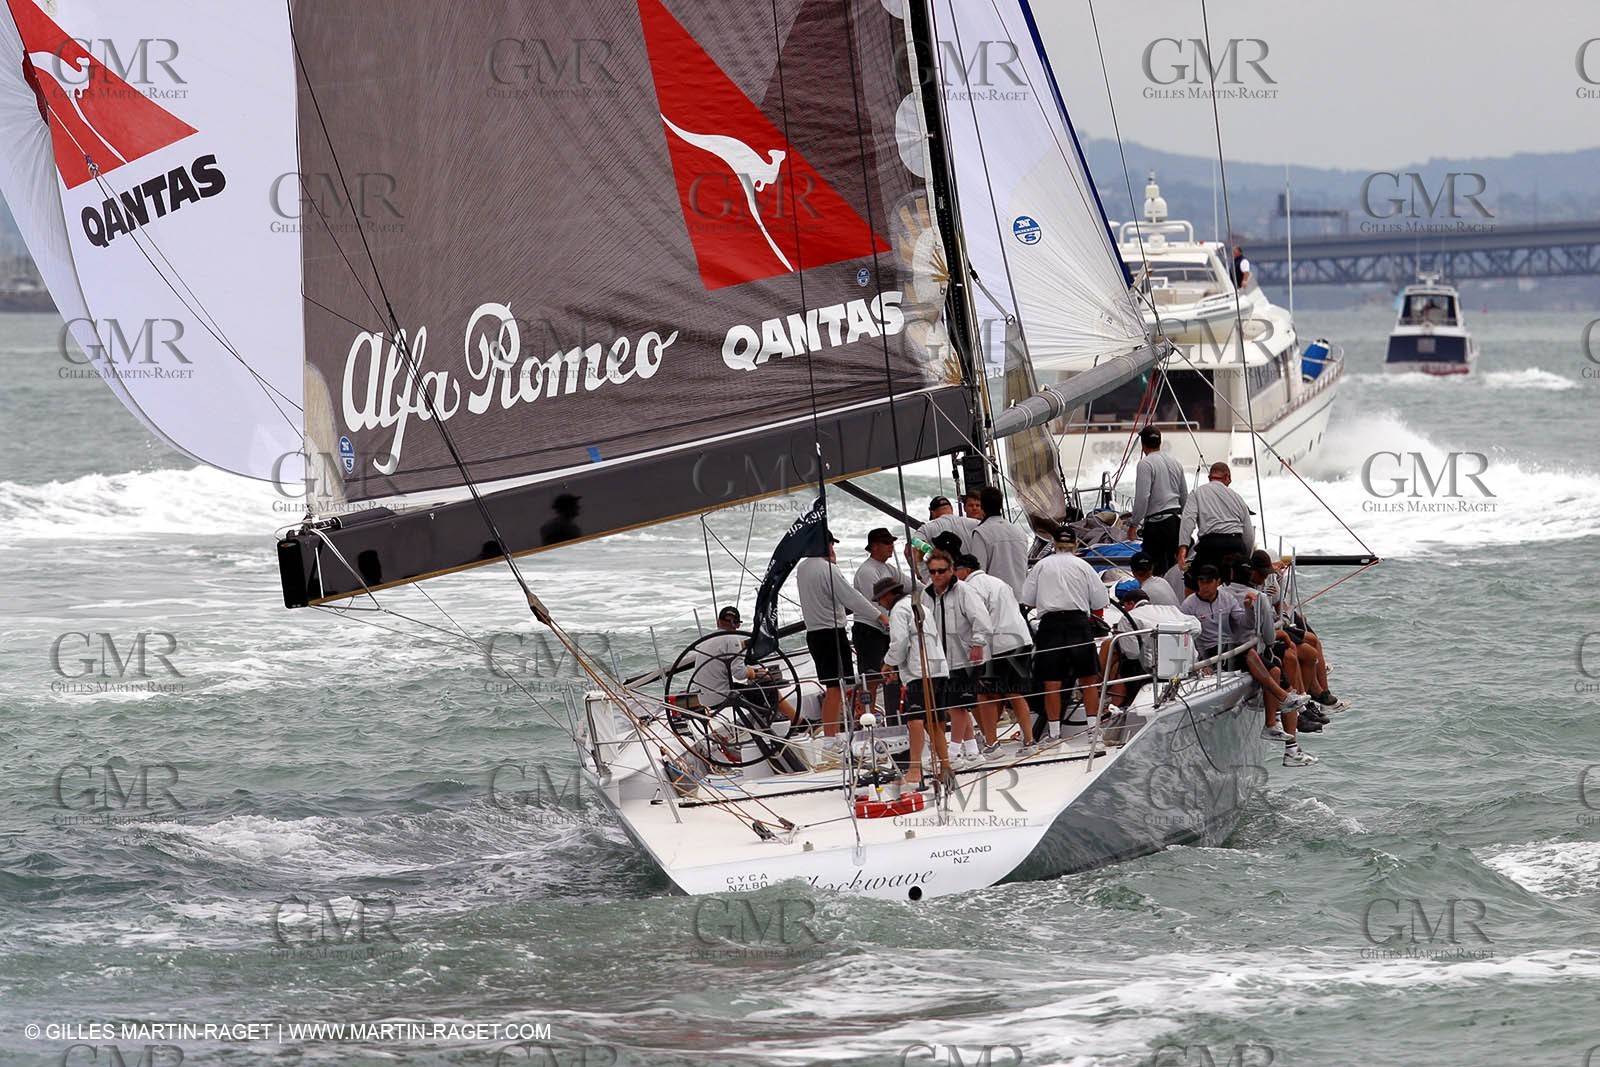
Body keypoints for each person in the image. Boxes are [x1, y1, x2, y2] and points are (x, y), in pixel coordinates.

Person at [1182, 564, 1316, 767]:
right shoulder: (1189, 605)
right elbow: (1188, 637)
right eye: (1201, 581)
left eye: (1208, 581)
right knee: (1254, 654)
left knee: (1276, 669)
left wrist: (1249, 610)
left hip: (1232, 646)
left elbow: (1243, 625)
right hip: (1211, 651)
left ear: (1218, 582)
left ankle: (1271, 724)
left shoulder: (1226, 598)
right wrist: (1199, 663)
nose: (1204, 586)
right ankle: (1283, 697)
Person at [795, 534, 889, 761]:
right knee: (835, 687)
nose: (832, 548)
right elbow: (852, 598)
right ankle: (830, 740)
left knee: (833, 686)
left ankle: (833, 735)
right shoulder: (828, 569)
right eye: (830, 544)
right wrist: (879, 616)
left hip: (814, 633)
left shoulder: (802, 568)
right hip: (832, 633)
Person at [1020, 528, 1110, 741]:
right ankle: (1092, 731)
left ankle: (1054, 733)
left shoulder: (1041, 566)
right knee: (1088, 679)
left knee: (1051, 681)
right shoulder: (1083, 566)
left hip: (1050, 625)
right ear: (1075, 545)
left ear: (1054, 544)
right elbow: (1099, 601)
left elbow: (1027, 599)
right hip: (1078, 624)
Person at [954, 553, 1036, 756]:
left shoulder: (970, 588)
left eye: (955, 570)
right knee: (1015, 692)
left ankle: (991, 744)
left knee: (986, 694)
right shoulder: (998, 582)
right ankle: (1029, 740)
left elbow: (978, 621)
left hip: (997, 644)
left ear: (965, 570)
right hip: (1021, 639)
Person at [924, 548, 992, 769]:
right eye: (932, 572)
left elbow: (980, 618)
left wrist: (978, 644)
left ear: (951, 570)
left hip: (965, 657)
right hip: (941, 660)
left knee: (958, 706)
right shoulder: (927, 594)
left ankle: (952, 753)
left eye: (941, 571)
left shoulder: (964, 591)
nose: (937, 576)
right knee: (957, 705)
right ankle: (972, 751)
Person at [878, 576, 947, 790]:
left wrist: (888, 664)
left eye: (880, 599)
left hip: (919, 672)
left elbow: (900, 642)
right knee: (933, 722)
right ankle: (945, 767)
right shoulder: (920, 606)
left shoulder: (899, 610)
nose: (880, 603)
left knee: (915, 720)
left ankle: (915, 770)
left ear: (889, 595)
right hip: (938, 669)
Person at [689, 606, 797, 723]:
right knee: (771, 692)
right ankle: (799, 724)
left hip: (704, 698)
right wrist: (755, 673)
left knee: (754, 692)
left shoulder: (706, 641)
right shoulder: (732, 639)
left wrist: (752, 672)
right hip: (723, 697)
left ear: (718, 622)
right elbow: (739, 674)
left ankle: (770, 719)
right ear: (738, 625)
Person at [1103, 579, 1189, 712]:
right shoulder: (1170, 610)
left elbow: (1132, 653)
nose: (1124, 609)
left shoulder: (1128, 617)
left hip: (1149, 668)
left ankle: (1113, 700)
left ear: (1130, 604)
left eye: (1125, 606)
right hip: (1181, 663)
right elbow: (1196, 627)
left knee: (1117, 663)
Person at [852, 528, 908, 717]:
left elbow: (909, 585)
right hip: (869, 629)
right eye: (887, 543)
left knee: (889, 673)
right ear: (874, 547)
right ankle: (864, 714)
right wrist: (898, 622)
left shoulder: (889, 568)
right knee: (871, 676)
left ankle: (894, 713)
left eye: (892, 542)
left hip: (885, 629)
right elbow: (878, 602)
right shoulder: (867, 571)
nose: (891, 546)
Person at [1126, 427, 1187, 575]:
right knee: (1174, 569)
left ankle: (1158, 597)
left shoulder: (1145, 464)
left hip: (1156, 525)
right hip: (1175, 522)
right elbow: (1184, 494)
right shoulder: (1175, 462)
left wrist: (1134, 524)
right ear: (1160, 442)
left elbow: (1143, 497)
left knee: (1155, 570)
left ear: (1143, 444)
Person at [1177, 462, 1255, 575]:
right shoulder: (1238, 498)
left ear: (1209, 478)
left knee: (1193, 581)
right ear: (1227, 477)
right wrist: (1245, 557)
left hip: (1210, 545)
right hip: (1235, 545)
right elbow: (1249, 535)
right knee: (1233, 582)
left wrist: (1182, 551)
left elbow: (1187, 521)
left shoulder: (1197, 493)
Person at [967, 485, 1031, 597]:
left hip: (995, 599)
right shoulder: (1019, 532)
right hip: (1018, 596)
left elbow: (978, 572)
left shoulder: (981, 533)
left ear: (982, 507)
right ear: (1000, 505)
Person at [914, 495, 980, 580]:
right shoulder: (975, 523)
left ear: (932, 513)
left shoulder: (926, 528)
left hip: (946, 577)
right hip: (972, 574)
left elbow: (913, 546)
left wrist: (920, 575)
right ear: (951, 509)